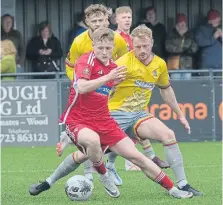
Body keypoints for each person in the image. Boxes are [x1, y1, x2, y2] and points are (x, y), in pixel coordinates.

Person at [29, 27, 193, 200]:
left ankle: (174, 189)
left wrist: (116, 83)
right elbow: (82, 87)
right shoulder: (85, 61)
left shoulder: (116, 67)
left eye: (108, 48)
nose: (105, 52)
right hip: (78, 120)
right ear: (93, 46)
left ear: (113, 47)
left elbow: (118, 88)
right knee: (92, 142)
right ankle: (104, 175)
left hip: (104, 120)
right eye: (100, 48)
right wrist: (109, 78)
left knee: (136, 157)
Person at [114, 6, 169, 171]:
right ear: (116, 20)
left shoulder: (136, 37)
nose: (127, 20)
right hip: (119, 84)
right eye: (123, 17)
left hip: (136, 86)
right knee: (120, 126)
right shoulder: (114, 37)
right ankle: (133, 161)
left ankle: (146, 158)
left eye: (129, 17)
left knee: (135, 124)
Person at [65, 4, 128, 81]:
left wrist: (118, 80)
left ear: (106, 20)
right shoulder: (78, 41)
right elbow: (70, 66)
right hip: (88, 86)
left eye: (100, 20)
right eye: (94, 21)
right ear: (87, 22)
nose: (98, 24)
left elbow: (126, 62)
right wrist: (79, 82)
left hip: (112, 85)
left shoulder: (117, 38)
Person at [165, 13, 198, 80]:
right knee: (176, 85)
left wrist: (187, 50)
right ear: (176, 25)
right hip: (174, 65)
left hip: (187, 65)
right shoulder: (171, 34)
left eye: (183, 24)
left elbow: (194, 47)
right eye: (180, 23)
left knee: (187, 85)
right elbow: (168, 46)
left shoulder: (190, 34)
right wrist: (182, 50)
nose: (182, 26)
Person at [195, 9, 222, 74]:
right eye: (216, 19)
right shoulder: (201, 30)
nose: (219, 20)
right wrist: (214, 37)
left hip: (220, 63)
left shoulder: (220, 28)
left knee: (219, 83)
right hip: (207, 63)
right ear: (210, 20)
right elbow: (200, 43)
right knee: (206, 82)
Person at [1, 14, 25, 79]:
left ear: (12, 23)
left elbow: (22, 50)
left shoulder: (17, 34)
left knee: (16, 86)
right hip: (1, 64)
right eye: (6, 21)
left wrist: (20, 63)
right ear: (2, 22)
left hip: (15, 64)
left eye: (10, 22)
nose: (8, 23)